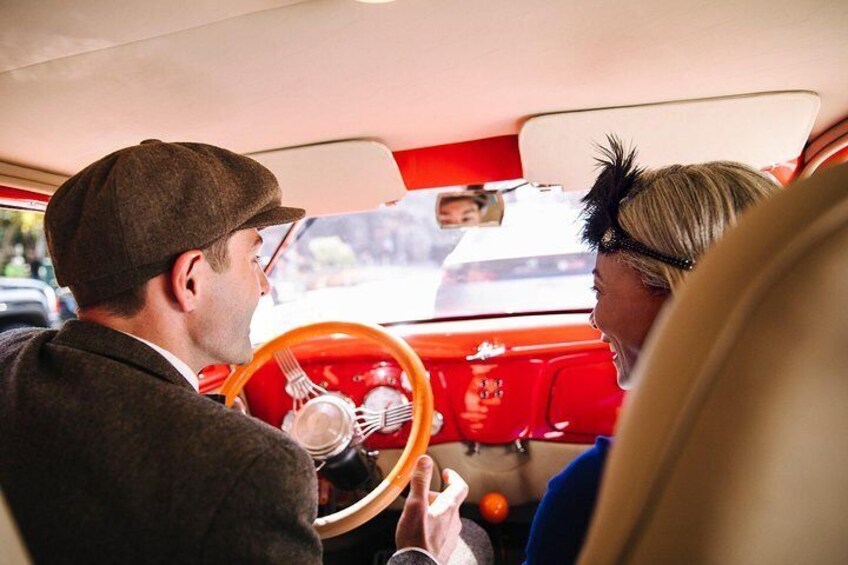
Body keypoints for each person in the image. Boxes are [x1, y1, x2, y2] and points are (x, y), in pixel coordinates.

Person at [0, 140, 470, 564]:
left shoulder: (8, 357)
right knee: (470, 540)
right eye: (254, 259)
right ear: (190, 281)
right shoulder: (252, 466)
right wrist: (416, 555)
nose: (265, 285)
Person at [523, 137, 781, 564]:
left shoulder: (601, 493)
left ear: (684, 297)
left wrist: (425, 553)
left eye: (599, 290)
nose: (594, 319)